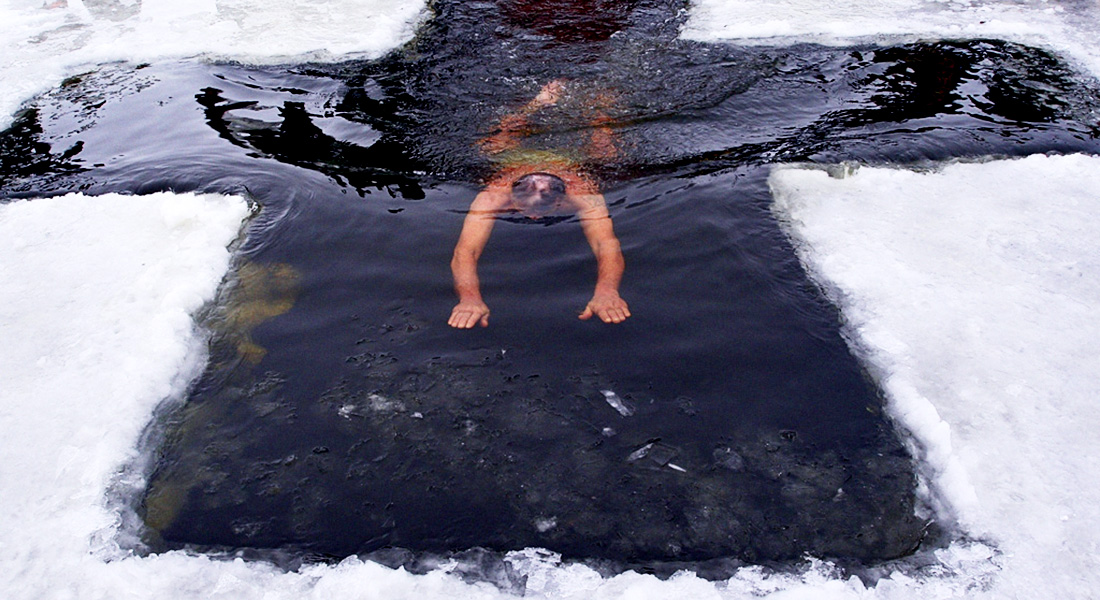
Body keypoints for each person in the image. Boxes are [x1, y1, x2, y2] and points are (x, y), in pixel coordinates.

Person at [448, 80, 631, 328]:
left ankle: (543, 103)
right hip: (564, 160)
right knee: (606, 153)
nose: (538, 181)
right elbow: (466, 252)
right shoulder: (501, 192)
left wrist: (607, 291)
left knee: (493, 147)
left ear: (561, 201)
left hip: (522, 159)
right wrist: (469, 298)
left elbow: (605, 244)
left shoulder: (578, 189)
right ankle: (594, 108)